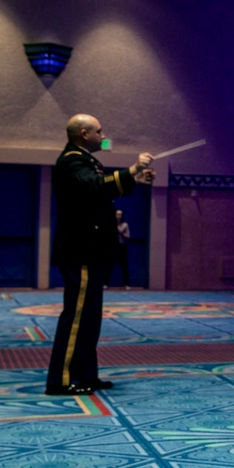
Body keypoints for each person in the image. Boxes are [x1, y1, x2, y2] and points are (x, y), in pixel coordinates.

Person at [46, 114, 154, 396]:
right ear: (84, 134)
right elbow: (93, 187)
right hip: (80, 249)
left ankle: (85, 375)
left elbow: (101, 189)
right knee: (77, 315)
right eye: (98, 132)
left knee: (90, 318)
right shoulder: (71, 160)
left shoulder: (86, 161)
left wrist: (136, 179)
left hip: (92, 251)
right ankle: (61, 379)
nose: (102, 136)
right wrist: (132, 169)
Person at [106, 209, 131, 289]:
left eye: (120, 214)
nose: (118, 216)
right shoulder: (111, 224)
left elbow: (128, 236)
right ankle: (105, 283)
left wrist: (120, 231)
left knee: (124, 266)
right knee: (109, 266)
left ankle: (126, 284)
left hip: (122, 246)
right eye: (117, 214)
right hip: (113, 247)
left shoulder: (125, 225)